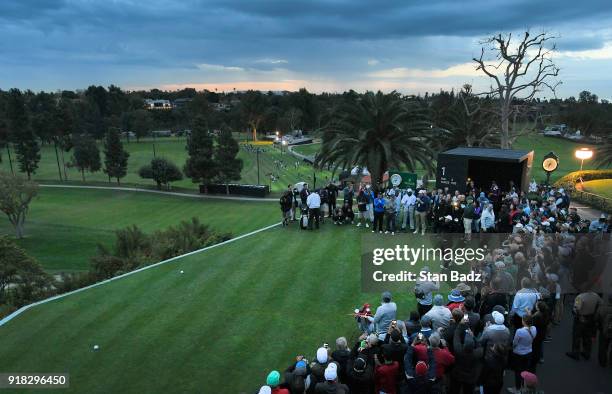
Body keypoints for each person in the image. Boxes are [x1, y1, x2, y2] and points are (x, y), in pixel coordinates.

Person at [566, 290, 602, 361]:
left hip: (580, 318)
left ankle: (575, 353)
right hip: (591, 318)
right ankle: (586, 353)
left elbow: (576, 309)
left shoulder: (580, 297)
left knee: (577, 336)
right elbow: (601, 304)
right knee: (587, 336)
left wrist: (576, 313)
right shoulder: (596, 295)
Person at [450, 323, 483, 394]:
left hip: (458, 375)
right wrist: (473, 336)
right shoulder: (477, 353)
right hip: (470, 378)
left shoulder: (458, 350)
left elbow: (456, 336)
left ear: (464, 344)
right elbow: (480, 345)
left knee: (455, 390)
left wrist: (460, 324)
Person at [511, 315, 536, 392]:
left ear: (524, 321)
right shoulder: (534, 329)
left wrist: (512, 347)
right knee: (525, 370)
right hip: (528, 352)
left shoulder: (519, 331)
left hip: (519, 353)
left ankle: (517, 388)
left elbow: (514, 343)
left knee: (518, 371)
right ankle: (524, 386)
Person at [598, 293, 612, 367]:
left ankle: (603, 362)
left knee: (603, 346)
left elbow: (597, 318)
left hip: (605, 330)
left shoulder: (603, 308)